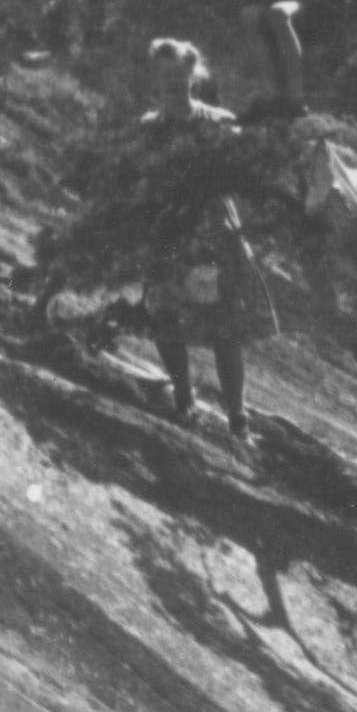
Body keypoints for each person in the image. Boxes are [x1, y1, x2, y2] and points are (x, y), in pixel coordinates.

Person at [139, 39, 276, 439]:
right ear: (155, 77)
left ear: (192, 77)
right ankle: (184, 399)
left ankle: (238, 419)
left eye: (179, 74)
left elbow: (247, 168)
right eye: (165, 74)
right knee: (164, 318)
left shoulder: (218, 123)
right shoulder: (148, 129)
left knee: (225, 329)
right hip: (169, 234)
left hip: (214, 236)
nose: (172, 82)